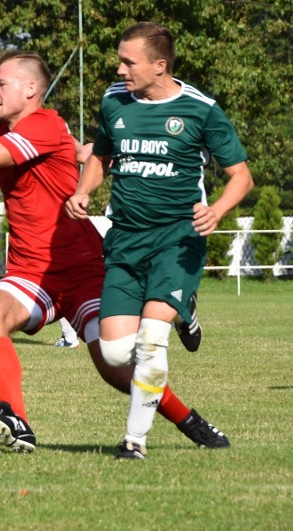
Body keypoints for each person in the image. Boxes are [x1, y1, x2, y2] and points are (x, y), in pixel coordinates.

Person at [0, 49, 232, 455]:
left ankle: (187, 418)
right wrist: (83, 152)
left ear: (31, 89)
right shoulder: (9, 125)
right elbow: (66, 148)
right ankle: (15, 419)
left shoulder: (43, 123)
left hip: (83, 268)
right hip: (32, 270)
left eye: (1, 83)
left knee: (114, 366)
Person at [65, 22, 253, 459]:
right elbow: (102, 155)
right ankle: (185, 308)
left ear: (159, 65)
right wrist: (83, 190)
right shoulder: (114, 101)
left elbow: (241, 176)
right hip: (125, 241)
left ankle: (135, 440)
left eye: (129, 61)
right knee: (113, 352)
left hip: (177, 241)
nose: (120, 68)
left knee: (151, 341)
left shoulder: (200, 109)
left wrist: (217, 210)